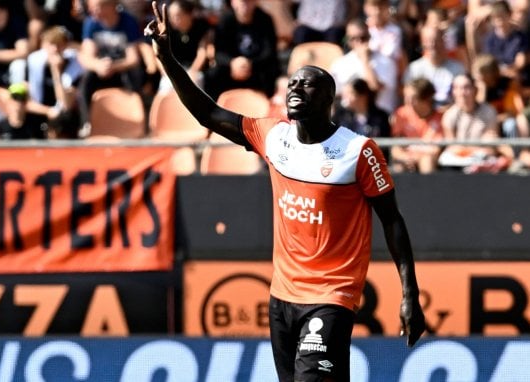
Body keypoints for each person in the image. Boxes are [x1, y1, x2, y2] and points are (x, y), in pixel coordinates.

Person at [145, 2, 425, 381]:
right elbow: (208, 114)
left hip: (331, 296)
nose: (296, 87)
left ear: (328, 99)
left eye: (307, 82)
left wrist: (410, 294)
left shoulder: (358, 151)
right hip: (282, 296)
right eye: (293, 81)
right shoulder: (273, 136)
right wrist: (166, 58)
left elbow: (392, 220)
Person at [202, 0, 280, 99]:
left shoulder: (265, 19)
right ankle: (214, 109)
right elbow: (219, 52)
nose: (245, 4)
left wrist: (250, 64)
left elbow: (269, 51)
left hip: (257, 67)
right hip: (232, 68)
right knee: (212, 75)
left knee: (271, 72)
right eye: (242, 1)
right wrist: (232, 62)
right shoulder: (225, 20)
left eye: (249, 1)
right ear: (233, 2)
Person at [330, 18, 398, 113]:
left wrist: (365, 60)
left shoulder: (386, 61)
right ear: (347, 40)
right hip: (349, 118)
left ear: (369, 37)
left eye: (363, 38)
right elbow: (334, 95)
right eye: (353, 38)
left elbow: (375, 87)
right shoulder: (340, 63)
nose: (358, 42)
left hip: (379, 118)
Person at [402, 25, 466, 110]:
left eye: (436, 40)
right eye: (428, 41)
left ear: (443, 41)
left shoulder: (458, 69)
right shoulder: (413, 69)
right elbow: (408, 99)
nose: (433, 45)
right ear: (422, 43)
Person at [390, 77, 444, 174]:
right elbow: (395, 148)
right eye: (406, 96)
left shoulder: (440, 118)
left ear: (426, 99)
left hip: (427, 159)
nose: (408, 101)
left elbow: (436, 150)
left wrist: (416, 158)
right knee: (399, 167)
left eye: (413, 98)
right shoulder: (402, 114)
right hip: (406, 160)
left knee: (427, 161)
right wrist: (406, 158)